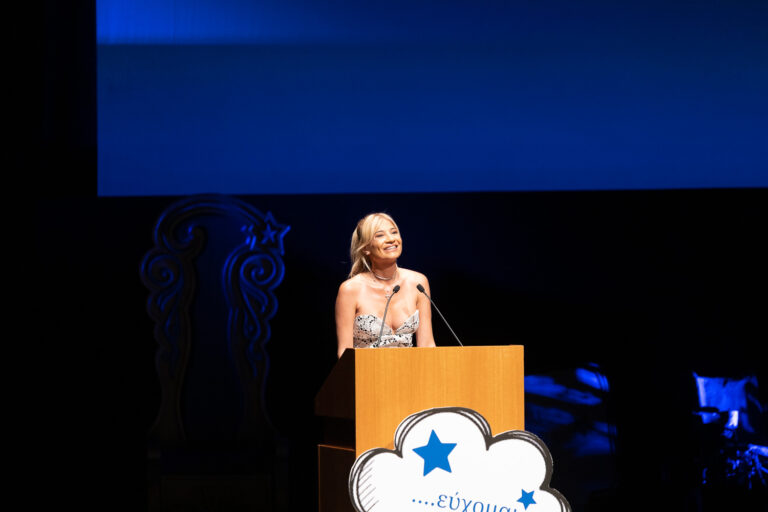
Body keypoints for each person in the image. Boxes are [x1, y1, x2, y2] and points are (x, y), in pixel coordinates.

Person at [335, 213, 436, 358]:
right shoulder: (350, 290)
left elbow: (427, 345)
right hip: (368, 370)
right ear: (366, 248)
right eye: (380, 235)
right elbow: (344, 353)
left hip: (410, 369)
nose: (391, 239)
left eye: (394, 232)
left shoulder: (418, 282)